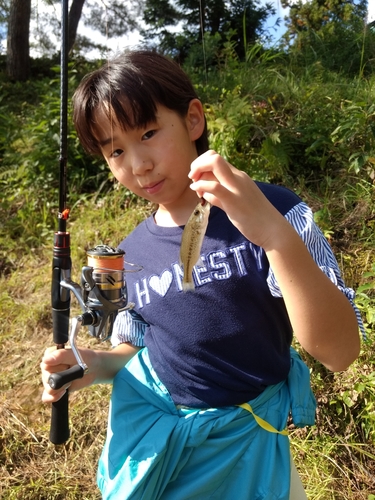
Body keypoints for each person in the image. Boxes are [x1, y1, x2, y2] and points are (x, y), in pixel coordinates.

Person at [41, 50, 363, 500]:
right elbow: (137, 348)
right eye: (116, 150)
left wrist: (274, 235)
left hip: (252, 447)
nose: (138, 165)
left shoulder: (274, 209)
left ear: (193, 119)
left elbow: (340, 351)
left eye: (148, 132)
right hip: (171, 454)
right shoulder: (131, 251)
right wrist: (94, 365)